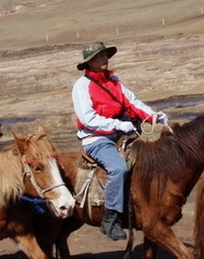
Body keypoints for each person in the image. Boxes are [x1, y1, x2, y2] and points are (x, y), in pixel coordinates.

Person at [72, 41, 168, 241]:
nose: (105, 58)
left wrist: (153, 116)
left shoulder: (114, 80)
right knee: (118, 169)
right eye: (100, 56)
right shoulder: (82, 86)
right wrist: (117, 125)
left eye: (106, 55)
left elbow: (132, 102)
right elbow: (87, 118)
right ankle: (111, 218)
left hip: (121, 135)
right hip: (97, 138)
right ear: (89, 62)